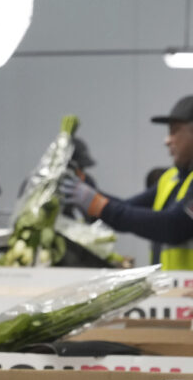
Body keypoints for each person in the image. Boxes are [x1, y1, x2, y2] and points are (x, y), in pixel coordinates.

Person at [60, 95, 193, 270]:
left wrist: (99, 204)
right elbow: (126, 207)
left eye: (174, 131)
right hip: (173, 289)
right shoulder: (171, 178)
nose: (167, 140)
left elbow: (174, 225)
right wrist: (87, 191)